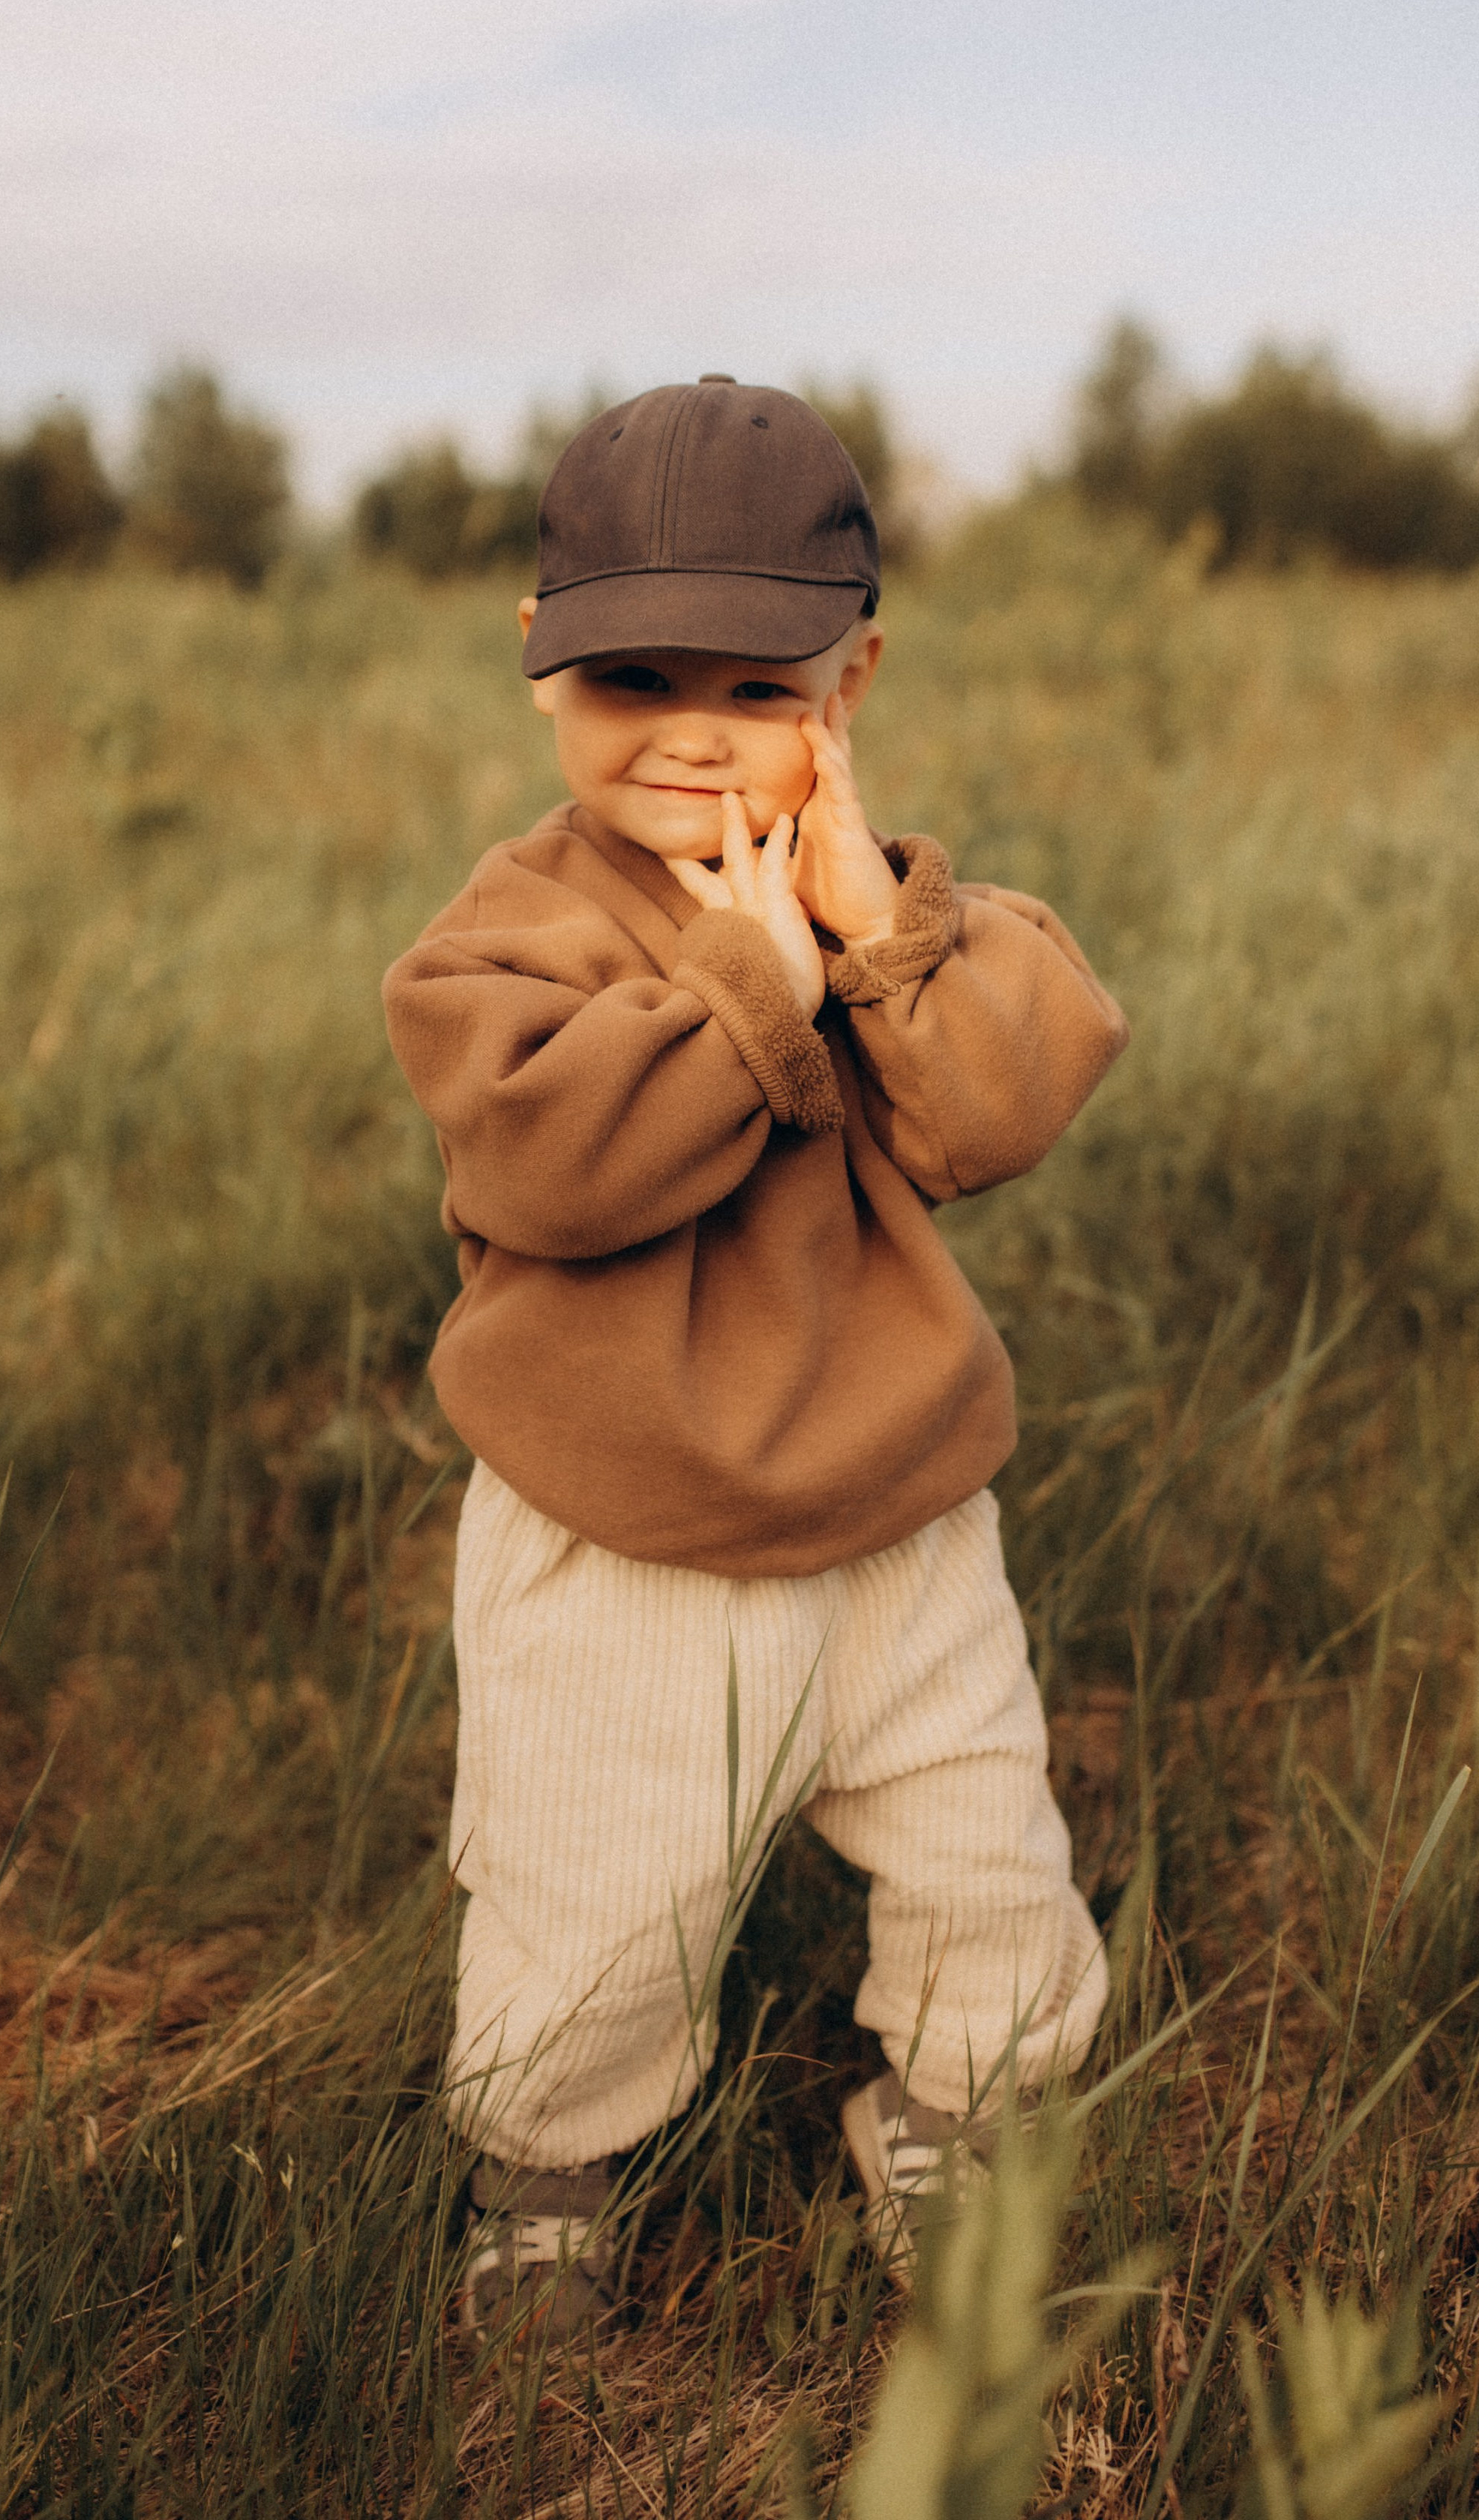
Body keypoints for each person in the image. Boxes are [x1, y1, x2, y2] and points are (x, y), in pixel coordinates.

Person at [382, 375, 1129, 2348]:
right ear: (539, 675)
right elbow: (552, 1162)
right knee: (597, 1912)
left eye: (763, 682)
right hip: (627, 1530)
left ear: (851, 679)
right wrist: (747, 994)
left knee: (993, 1863)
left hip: (898, 1513)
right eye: (636, 674)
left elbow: (993, 1106)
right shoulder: (503, 942)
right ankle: (547, 2177)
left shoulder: (875, 912)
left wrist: (866, 933)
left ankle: (952, 2114)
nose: (697, 730)